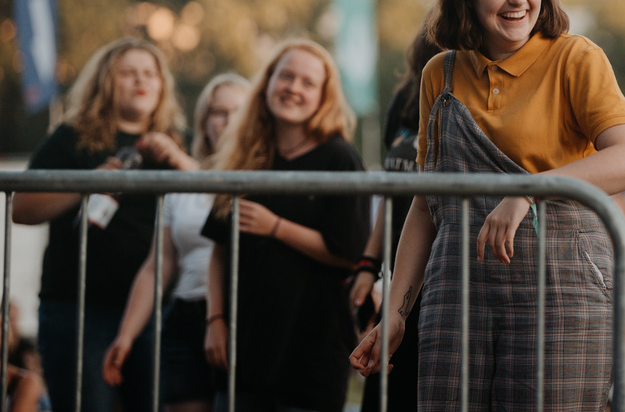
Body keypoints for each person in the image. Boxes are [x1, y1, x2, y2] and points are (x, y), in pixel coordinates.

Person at [351, 0, 625, 411]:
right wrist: (399, 312)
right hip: (457, 293)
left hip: (561, 290)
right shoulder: (438, 74)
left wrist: (529, 189)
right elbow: (428, 205)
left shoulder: (576, 58)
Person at [12, 37, 198, 412]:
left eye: (149, 73)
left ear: (163, 85)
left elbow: (221, 201)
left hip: (158, 313)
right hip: (77, 310)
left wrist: (183, 162)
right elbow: (22, 209)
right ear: (105, 82)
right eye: (127, 73)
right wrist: (85, 186)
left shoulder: (181, 142)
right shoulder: (71, 138)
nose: (140, 81)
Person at [201, 39, 371, 412]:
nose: (294, 88)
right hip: (245, 344)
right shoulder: (243, 153)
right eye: (286, 76)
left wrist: (276, 226)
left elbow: (348, 253)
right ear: (268, 83)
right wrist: (215, 319)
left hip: (311, 349)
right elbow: (218, 248)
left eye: (308, 83)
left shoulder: (340, 157)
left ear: (324, 97)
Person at [102, 73, 250, 412]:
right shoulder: (180, 185)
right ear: (204, 121)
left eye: (237, 112)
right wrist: (125, 336)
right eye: (218, 112)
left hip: (240, 315)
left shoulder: (266, 175)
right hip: (184, 317)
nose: (226, 122)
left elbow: (223, 200)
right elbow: (158, 265)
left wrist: (182, 165)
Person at [350, 23, 441, 412]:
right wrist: (368, 265)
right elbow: (392, 195)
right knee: (384, 393)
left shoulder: (471, 93)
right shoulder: (405, 98)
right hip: (401, 274)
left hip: (446, 280)